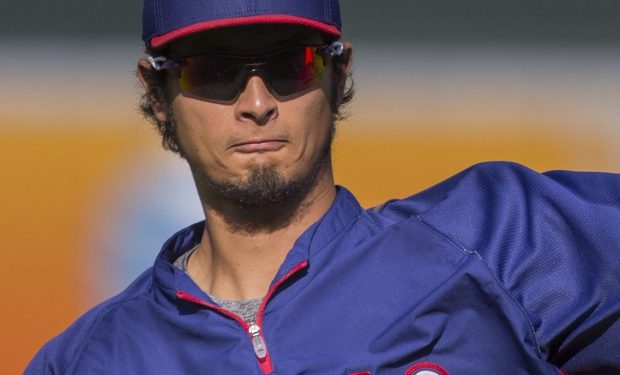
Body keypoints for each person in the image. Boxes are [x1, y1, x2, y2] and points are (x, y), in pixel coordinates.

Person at [26, 1, 620, 374]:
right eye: (210, 70)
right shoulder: (86, 361)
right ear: (157, 93)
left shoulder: (502, 237)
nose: (256, 104)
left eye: (292, 64)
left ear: (340, 75)